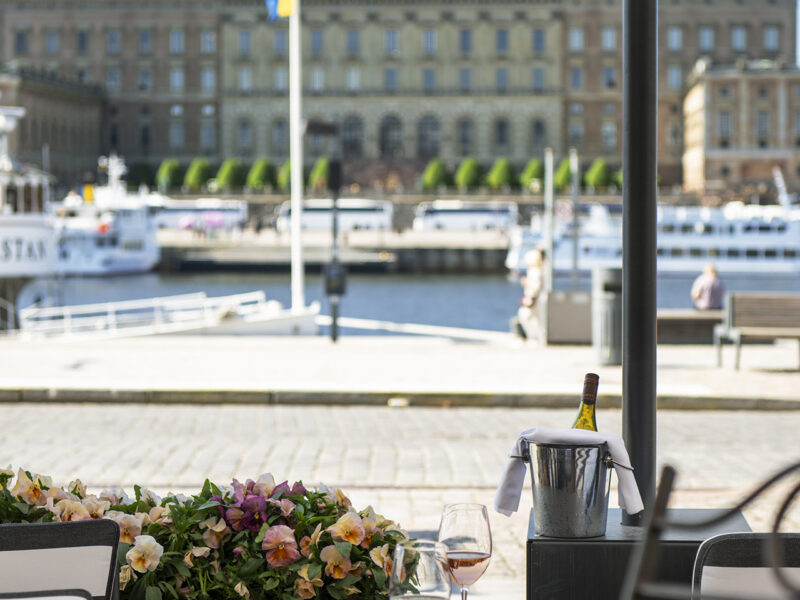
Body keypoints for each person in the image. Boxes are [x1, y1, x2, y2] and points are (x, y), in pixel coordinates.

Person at [517, 248, 545, 341]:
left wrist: (530, 296)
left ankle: (534, 338)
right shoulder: (535, 270)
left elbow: (536, 286)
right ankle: (536, 338)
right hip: (533, 298)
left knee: (526, 315)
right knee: (534, 318)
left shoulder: (536, 271)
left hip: (533, 298)